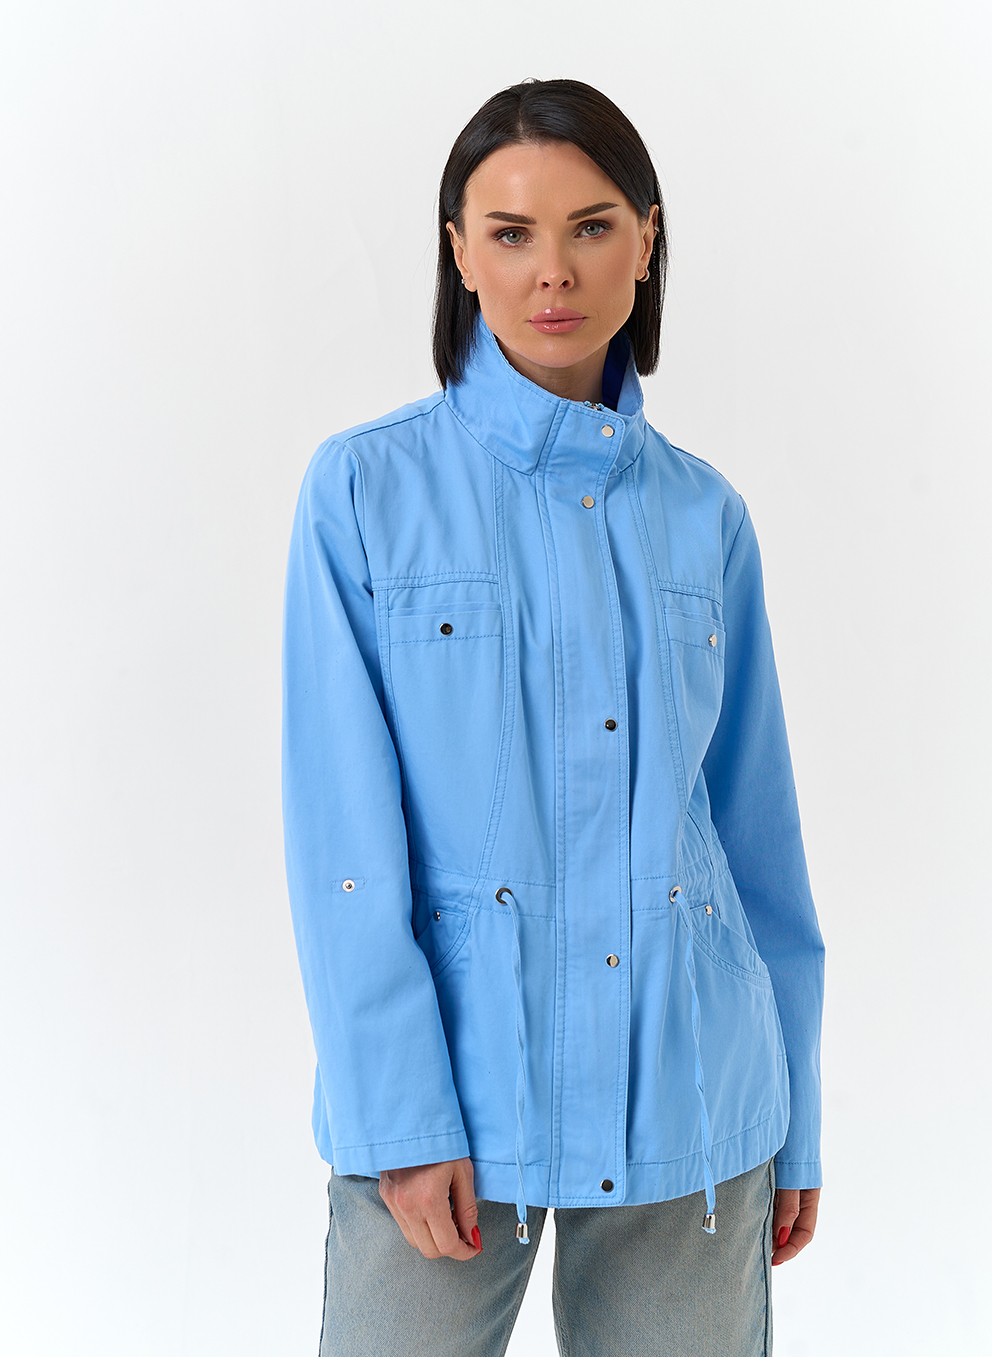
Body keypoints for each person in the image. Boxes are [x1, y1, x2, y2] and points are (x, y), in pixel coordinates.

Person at [281, 77, 825, 1357]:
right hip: (457, 1100)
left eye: (590, 227)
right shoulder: (364, 491)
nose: (552, 271)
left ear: (645, 238)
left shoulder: (705, 515)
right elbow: (343, 843)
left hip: (693, 1096)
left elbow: (757, 845)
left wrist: (792, 1117)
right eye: (511, 232)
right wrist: (400, 1114)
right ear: (458, 252)